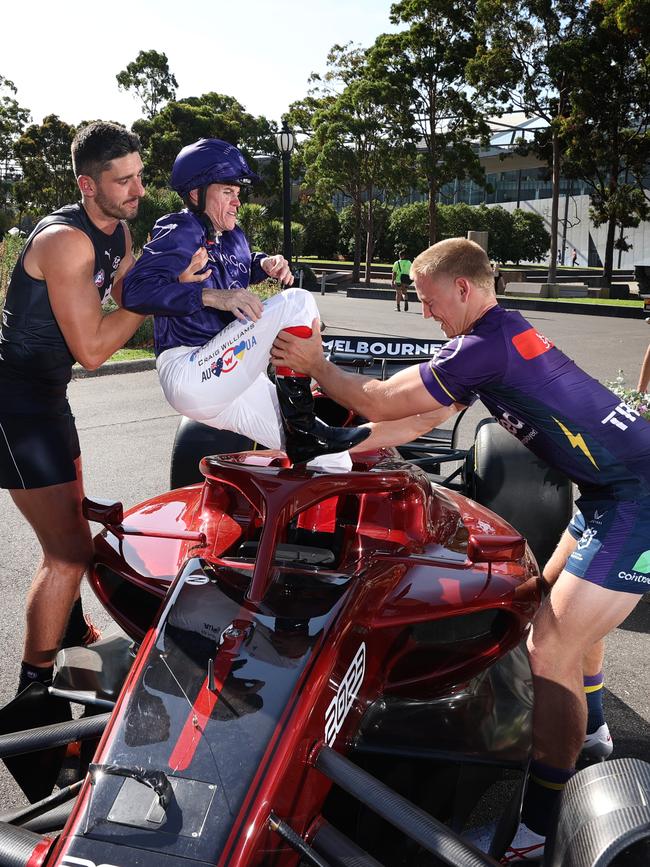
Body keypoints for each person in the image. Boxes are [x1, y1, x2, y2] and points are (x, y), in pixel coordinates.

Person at [271, 237, 650, 861]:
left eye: (428, 300)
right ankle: (595, 733)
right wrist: (337, 446)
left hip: (638, 497)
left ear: (464, 289)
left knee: (549, 646)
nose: (425, 313)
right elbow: (415, 419)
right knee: (549, 601)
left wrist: (319, 365)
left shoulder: (487, 346)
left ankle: (543, 820)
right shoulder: (491, 337)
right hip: (612, 488)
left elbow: (382, 399)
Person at [0, 122, 146, 695]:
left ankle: (73, 636)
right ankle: (33, 688)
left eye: (139, 175)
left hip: (48, 401)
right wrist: (152, 298)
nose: (136, 189)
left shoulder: (115, 230)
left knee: (74, 535)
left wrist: (196, 287)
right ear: (88, 184)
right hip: (15, 407)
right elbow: (92, 350)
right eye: (123, 180)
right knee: (66, 554)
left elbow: (129, 285)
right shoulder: (67, 241)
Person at [122, 138, 369, 469]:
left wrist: (264, 264)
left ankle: (302, 449)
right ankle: (304, 424)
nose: (237, 201)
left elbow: (236, 263)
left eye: (238, 193)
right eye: (227, 191)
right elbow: (134, 291)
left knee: (334, 460)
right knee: (297, 301)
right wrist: (211, 296)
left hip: (229, 379)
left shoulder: (233, 235)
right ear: (196, 193)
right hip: (190, 368)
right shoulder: (180, 227)